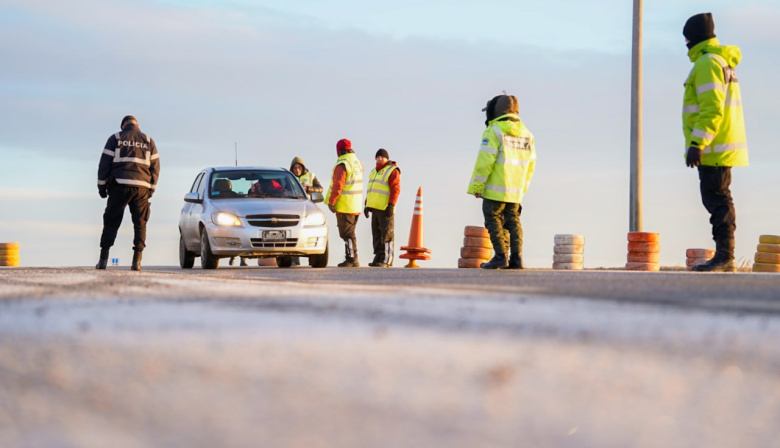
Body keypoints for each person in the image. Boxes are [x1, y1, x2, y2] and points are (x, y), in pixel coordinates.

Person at [682, 13, 748, 272]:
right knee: (717, 198)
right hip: (719, 144)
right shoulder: (718, 61)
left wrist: (697, 142)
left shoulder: (707, 63)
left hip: (713, 145)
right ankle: (725, 255)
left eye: (686, 36)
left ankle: (725, 256)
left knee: (717, 199)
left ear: (695, 37)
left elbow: (711, 108)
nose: (685, 41)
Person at [467, 94, 536, 270]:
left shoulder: (494, 131)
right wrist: (523, 189)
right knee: (513, 221)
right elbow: (531, 165)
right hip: (516, 190)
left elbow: (484, 162)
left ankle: (500, 256)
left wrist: (477, 186)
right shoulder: (527, 134)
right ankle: (517, 258)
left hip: (495, 189)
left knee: (493, 218)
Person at [96, 115, 160, 271]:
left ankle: (103, 260)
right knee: (140, 223)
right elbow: (155, 167)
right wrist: (151, 188)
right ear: (137, 124)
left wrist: (101, 187)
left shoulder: (115, 138)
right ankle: (137, 261)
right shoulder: (148, 140)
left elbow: (104, 165)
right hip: (142, 188)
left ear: (122, 126)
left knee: (111, 221)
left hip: (119, 185)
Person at [326, 138, 364, 267]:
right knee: (350, 232)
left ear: (339, 150)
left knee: (347, 233)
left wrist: (332, 202)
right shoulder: (357, 162)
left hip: (345, 205)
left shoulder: (343, 164)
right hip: (356, 204)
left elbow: (338, 184)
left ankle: (352, 258)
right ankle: (351, 257)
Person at [364, 148, 400, 267]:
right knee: (376, 234)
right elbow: (371, 190)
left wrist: (391, 205)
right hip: (375, 208)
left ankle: (387, 259)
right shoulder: (374, 171)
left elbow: (395, 189)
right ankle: (378, 256)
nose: (380, 159)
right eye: (378, 157)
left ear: (387, 158)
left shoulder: (392, 171)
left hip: (385, 208)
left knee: (386, 233)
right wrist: (367, 205)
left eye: (382, 157)